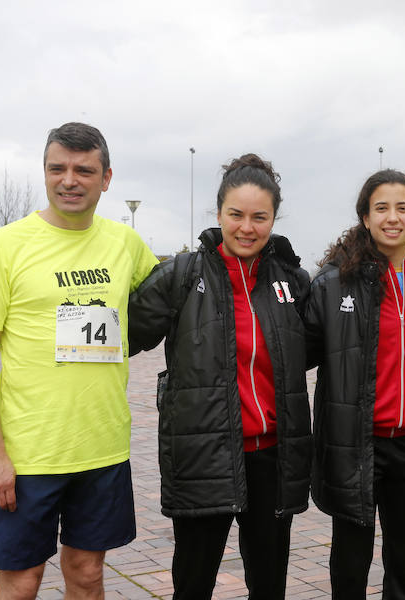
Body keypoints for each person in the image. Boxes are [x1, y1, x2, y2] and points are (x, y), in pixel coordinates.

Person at [0, 122, 158, 599]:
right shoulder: (5, 245)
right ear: (45, 172)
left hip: (103, 447)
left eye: (83, 170)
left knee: (87, 572)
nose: (69, 180)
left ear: (106, 178)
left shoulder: (126, 244)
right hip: (29, 452)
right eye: (57, 169)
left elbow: (172, 303)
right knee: (22, 580)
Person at [127, 154, 312, 600]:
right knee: (193, 585)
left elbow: (319, 349)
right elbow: (121, 335)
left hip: (272, 458)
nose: (247, 227)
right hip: (202, 457)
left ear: (273, 219)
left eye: (259, 217)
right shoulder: (181, 276)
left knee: (268, 587)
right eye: (236, 215)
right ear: (218, 214)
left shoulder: (293, 282)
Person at [304, 169, 405, 599]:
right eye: (382, 208)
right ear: (366, 217)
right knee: (351, 564)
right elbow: (299, 354)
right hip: (356, 443)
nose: (393, 217)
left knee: (404, 566)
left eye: (403, 208)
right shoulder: (334, 282)